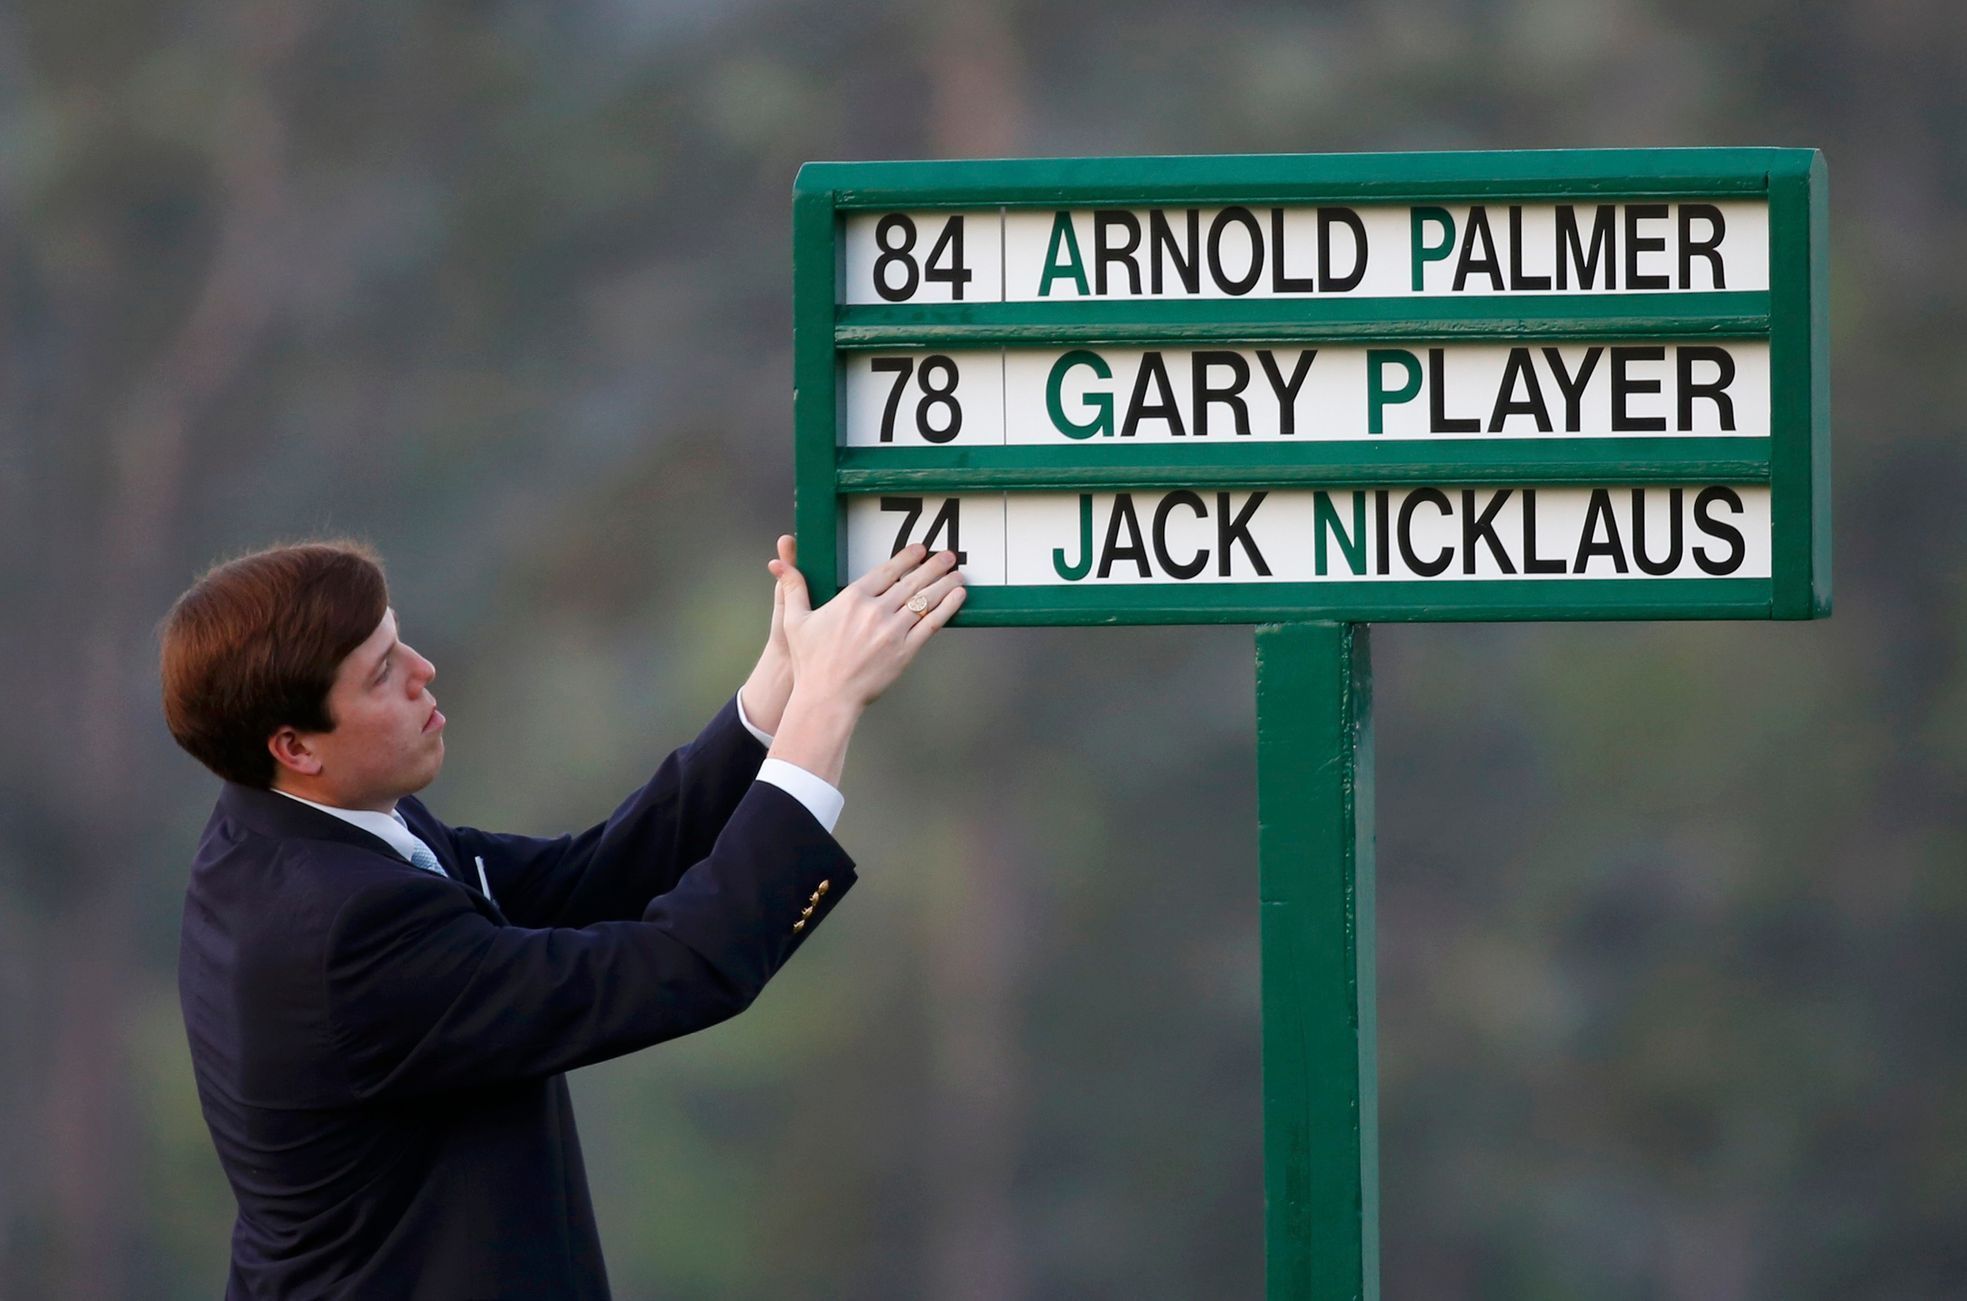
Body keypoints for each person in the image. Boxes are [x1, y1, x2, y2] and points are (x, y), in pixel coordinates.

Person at [162, 534, 963, 1300]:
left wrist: (779, 686)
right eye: (379, 674)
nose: (422, 670)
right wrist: (827, 709)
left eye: (399, 640)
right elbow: (683, 964)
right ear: (296, 746)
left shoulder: (295, 825)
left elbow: (589, 880)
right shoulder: (341, 930)